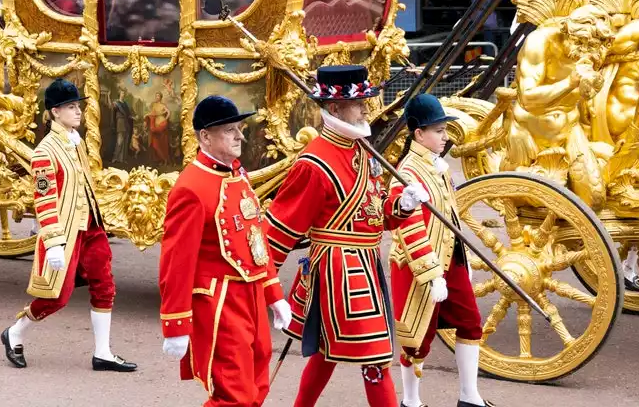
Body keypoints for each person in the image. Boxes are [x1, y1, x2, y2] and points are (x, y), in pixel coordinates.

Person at [265, 66, 422, 407]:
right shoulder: (314, 162)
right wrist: (266, 287)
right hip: (338, 270)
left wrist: (401, 205)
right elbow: (279, 228)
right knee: (376, 356)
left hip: (366, 264)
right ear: (336, 108)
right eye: (359, 101)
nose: (367, 106)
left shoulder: (363, 150)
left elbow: (374, 214)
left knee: (327, 350)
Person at [158, 95, 291, 407]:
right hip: (219, 301)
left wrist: (274, 295)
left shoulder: (237, 173)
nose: (240, 136)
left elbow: (255, 240)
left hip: (252, 296)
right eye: (230, 130)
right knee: (234, 395)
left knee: (257, 386)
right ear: (205, 136)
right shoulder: (191, 187)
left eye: (239, 129)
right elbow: (176, 262)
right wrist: (176, 324)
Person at [1, 79, 136, 372]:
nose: (78, 112)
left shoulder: (77, 142)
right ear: (55, 112)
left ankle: (103, 352)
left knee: (105, 284)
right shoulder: (44, 152)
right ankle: (15, 333)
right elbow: (45, 200)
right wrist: (52, 243)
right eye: (71, 107)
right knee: (57, 297)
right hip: (66, 232)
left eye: (78, 107)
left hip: (91, 226)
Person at [387, 93, 492, 407]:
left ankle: (469, 397)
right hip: (418, 267)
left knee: (471, 323)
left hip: (451, 259)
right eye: (439, 131)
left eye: (445, 130)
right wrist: (433, 275)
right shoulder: (406, 173)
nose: (445, 137)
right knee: (417, 339)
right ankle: (411, 401)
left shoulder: (439, 167)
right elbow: (410, 229)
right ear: (419, 134)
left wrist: (464, 258)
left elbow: (452, 215)